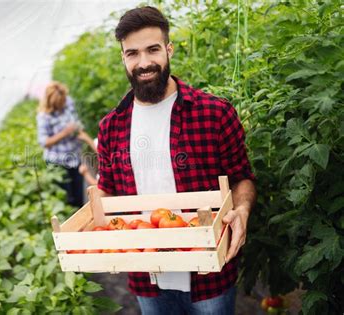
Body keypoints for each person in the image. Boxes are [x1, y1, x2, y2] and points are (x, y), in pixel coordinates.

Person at [96, 6, 257, 315]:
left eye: (152, 50)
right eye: (132, 53)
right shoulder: (111, 127)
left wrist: (242, 210)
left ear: (168, 49)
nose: (143, 63)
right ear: (123, 58)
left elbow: (241, 177)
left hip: (209, 272)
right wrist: (90, 219)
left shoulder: (214, 113)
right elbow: (108, 188)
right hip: (146, 274)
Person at [36, 81, 94, 208]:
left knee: (79, 197)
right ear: (52, 102)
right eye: (59, 103)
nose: (63, 104)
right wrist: (64, 133)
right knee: (66, 199)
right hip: (57, 162)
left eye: (63, 101)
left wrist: (80, 132)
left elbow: (76, 120)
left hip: (75, 157)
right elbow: (44, 142)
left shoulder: (68, 102)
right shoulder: (44, 116)